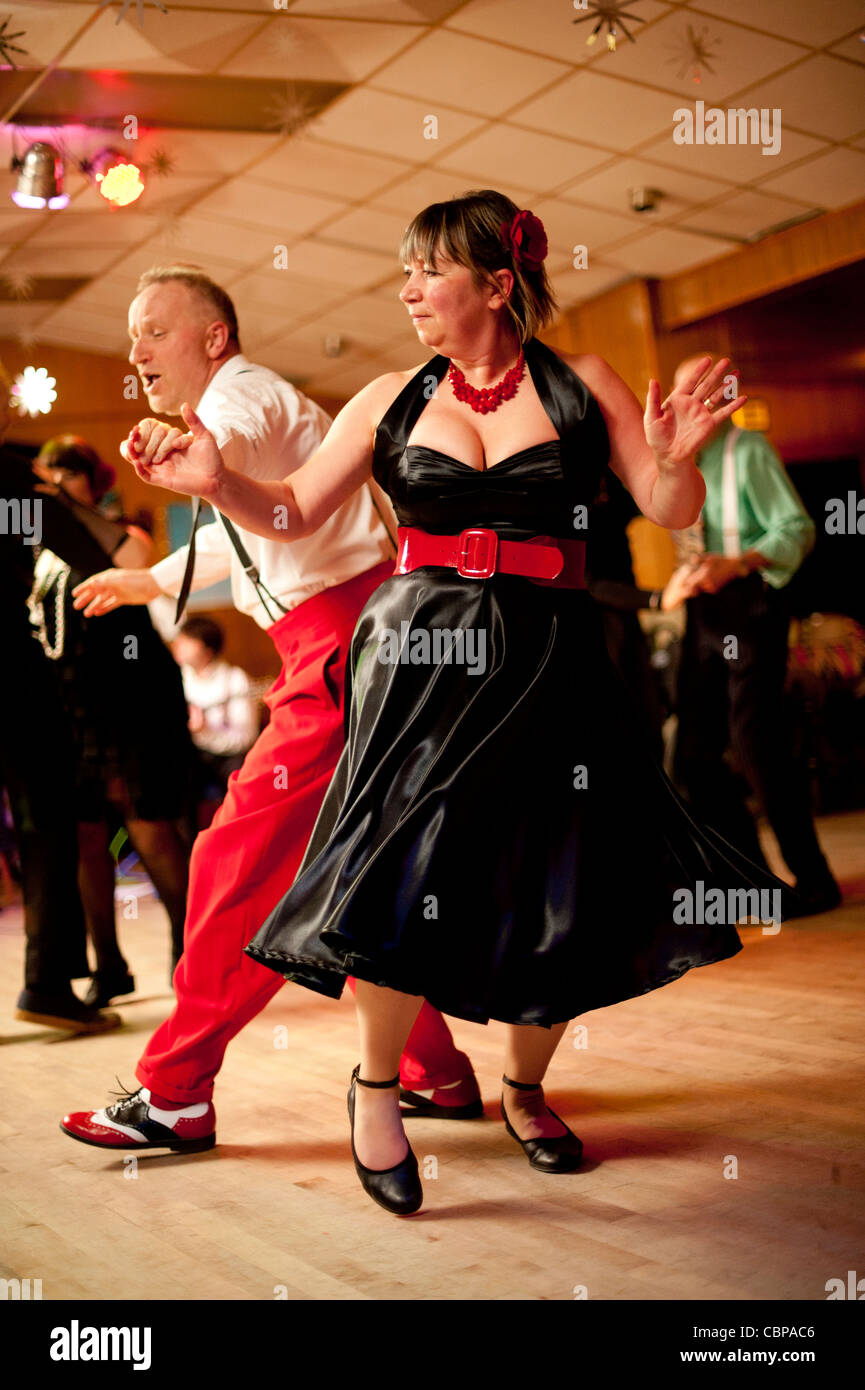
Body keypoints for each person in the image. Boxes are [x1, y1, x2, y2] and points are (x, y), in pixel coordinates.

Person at [105, 190, 789, 1216]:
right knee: (396, 874)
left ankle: (523, 1089)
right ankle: (376, 1089)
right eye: (407, 271)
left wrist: (681, 458)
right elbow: (291, 508)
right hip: (416, 661)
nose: (408, 289)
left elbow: (664, 504)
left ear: (497, 284)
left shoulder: (577, 383)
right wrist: (217, 483)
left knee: (560, 884)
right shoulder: (388, 394)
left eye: (428, 270)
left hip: (552, 657)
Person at [60, 266, 483, 1160]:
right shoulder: (239, 417)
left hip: (341, 655)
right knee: (350, 880)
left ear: (214, 337)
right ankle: (437, 1074)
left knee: (232, 865)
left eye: (154, 331)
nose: (137, 351)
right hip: (351, 645)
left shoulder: (239, 402)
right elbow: (243, 541)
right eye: (130, 337)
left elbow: (242, 466)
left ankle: (174, 1094)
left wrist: (206, 463)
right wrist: (144, 579)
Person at [669, 356, 841, 918]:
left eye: (702, 388)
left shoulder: (749, 450)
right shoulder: (678, 458)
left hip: (750, 605)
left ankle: (815, 881)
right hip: (702, 609)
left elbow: (796, 529)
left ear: (724, 396)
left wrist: (735, 564)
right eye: (682, 388)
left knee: (757, 745)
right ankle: (751, 883)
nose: (688, 397)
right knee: (692, 752)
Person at [29, 435, 196, 1006]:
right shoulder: (42, 551)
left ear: (90, 482)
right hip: (69, 706)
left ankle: (189, 953)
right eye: (47, 478)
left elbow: (134, 562)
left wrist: (60, 505)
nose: (53, 486)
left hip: (130, 701)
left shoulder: (125, 529)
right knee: (84, 835)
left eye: (65, 476)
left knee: (148, 824)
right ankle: (109, 964)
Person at [0, 365, 120, 1031]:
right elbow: (92, 550)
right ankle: (46, 982)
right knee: (46, 818)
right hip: (10, 665)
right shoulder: (12, 478)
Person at [171, 615, 258, 803]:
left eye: (188, 640)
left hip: (227, 757)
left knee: (240, 775)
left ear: (208, 650)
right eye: (180, 638)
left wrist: (205, 732)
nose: (179, 644)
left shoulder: (235, 679)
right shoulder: (176, 678)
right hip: (188, 755)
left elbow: (246, 738)